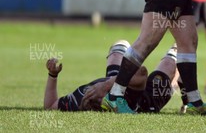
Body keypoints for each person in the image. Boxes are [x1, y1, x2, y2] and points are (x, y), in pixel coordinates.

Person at [45, 40, 179, 113]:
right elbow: (141, 73)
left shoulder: (80, 97)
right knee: (170, 63)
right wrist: (107, 85)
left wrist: (52, 75)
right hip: (147, 100)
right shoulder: (126, 103)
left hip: (115, 81)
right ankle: (179, 55)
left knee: (119, 45)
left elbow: (50, 106)